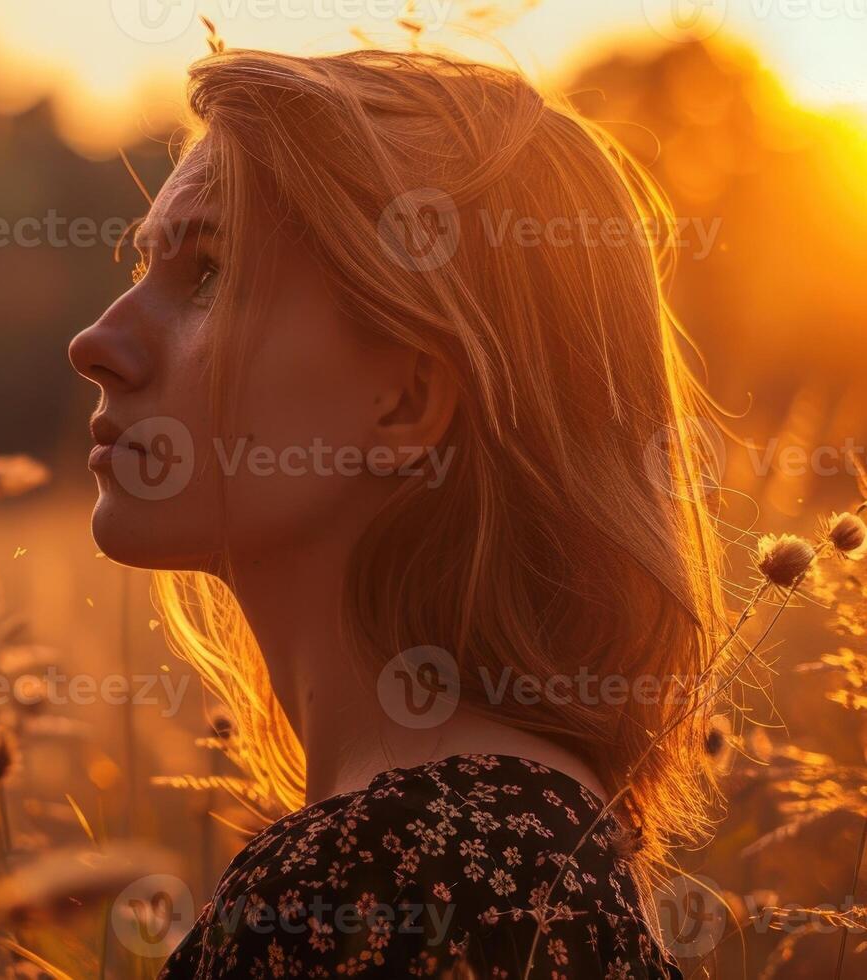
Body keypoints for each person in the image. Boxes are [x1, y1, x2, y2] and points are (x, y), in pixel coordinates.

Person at [68, 47, 723, 978]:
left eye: (209, 274)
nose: (96, 343)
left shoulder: (365, 885)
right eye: (142, 266)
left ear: (408, 401)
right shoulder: (528, 849)